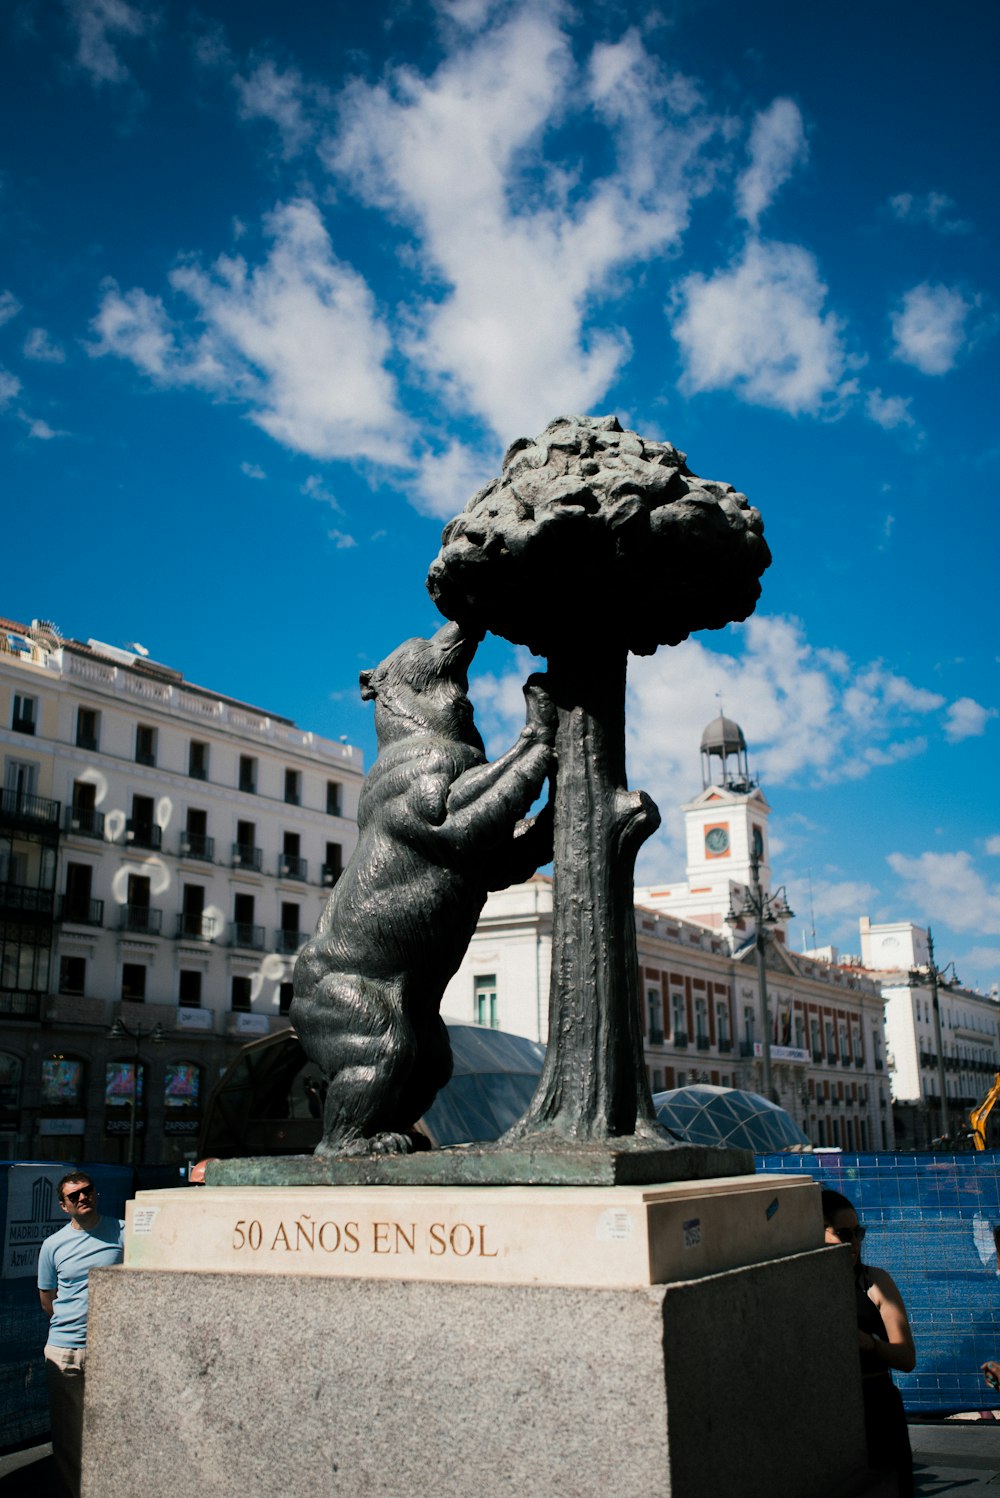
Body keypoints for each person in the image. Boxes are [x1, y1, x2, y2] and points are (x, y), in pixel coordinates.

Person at [822, 1189, 916, 1497]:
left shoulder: (874, 1281)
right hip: (830, 1414)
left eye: (859, 1232)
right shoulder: (803, 1285)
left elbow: (906, 1357)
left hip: (877, 1408)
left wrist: (871, 1344)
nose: (855, 1242)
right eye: (844, 1233)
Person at [37, 1172, 125, 1498]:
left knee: (110, 1431)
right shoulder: (53, 1246)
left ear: (96, 1194)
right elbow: (48, 1300)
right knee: (70, 1438)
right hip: (64, 1351)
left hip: (110, 1351)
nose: (82, 1198)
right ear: (64, 1206)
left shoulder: (124, 1233)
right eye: (73, 1196)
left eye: (86, 1191)